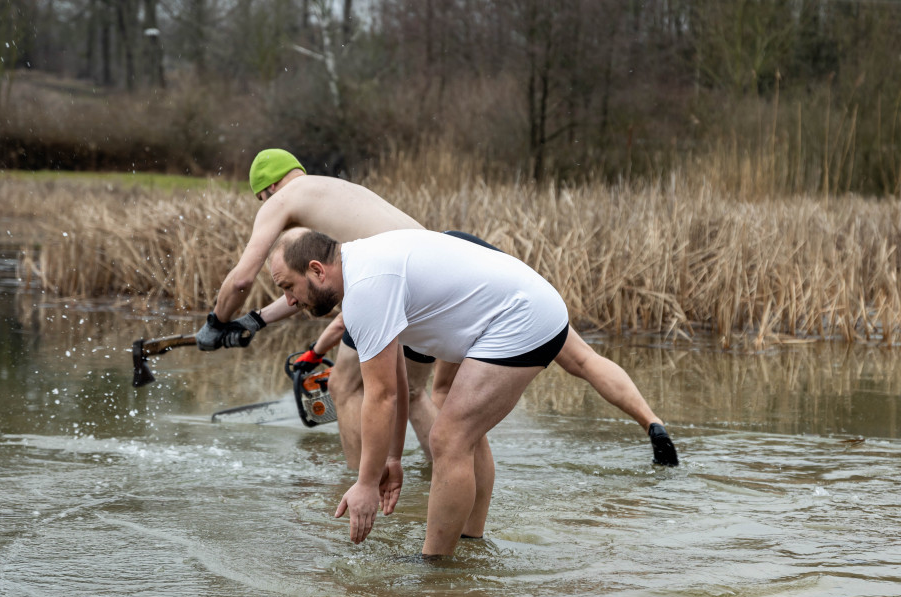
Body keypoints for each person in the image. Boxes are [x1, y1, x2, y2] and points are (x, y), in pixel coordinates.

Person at [268, 227, 679, 557]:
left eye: (289, 287)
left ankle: (435, 570)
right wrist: (391, 457)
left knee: (449, 438)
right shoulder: (363, 267)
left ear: (318, 270)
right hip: (520, 308)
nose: (289, 300)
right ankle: (470, 544)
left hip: (520, 318)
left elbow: (382, 397)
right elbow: (397, 379)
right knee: (463, 432)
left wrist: (365, 484)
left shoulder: (366, 288)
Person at [195, 149, 438, 466]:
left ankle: (358, 485)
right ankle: (442, 472)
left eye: (262, 198)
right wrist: (254, 321)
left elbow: (241, 280)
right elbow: (318, 282)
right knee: (415, 392)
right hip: (432, 278)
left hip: (391, 286)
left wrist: (217, 322)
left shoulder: (282, 201)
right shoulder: (335, 192)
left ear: (268, 190)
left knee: (344, 386)